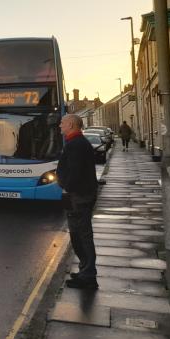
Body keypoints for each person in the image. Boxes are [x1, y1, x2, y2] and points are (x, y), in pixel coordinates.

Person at [57, 114, 99, 289]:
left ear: (71, 125)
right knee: (78, 235)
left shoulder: (76, 145)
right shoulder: (77, 142)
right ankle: (85, 271)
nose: (60, 126)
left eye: (62, 123)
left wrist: (66, 187)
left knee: (82, 236)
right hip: (80, 195)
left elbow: (75, 172)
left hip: (79, 197)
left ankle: (88, 276)